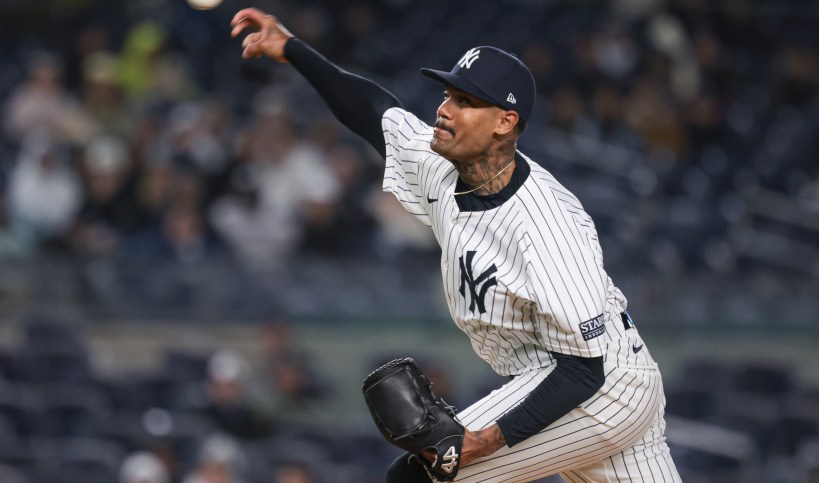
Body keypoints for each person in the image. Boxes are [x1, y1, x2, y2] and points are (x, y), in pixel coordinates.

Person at [231, 8, 682, 482]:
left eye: (465, 101)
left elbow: (583, 372)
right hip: (591, 378)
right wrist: (292, 48)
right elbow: (373, 111)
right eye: (447, 94)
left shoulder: (546, 225)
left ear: (505, 122)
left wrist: (480, 442)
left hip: (600, 389)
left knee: (419, 478)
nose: (444, 109)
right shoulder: (440, 162)